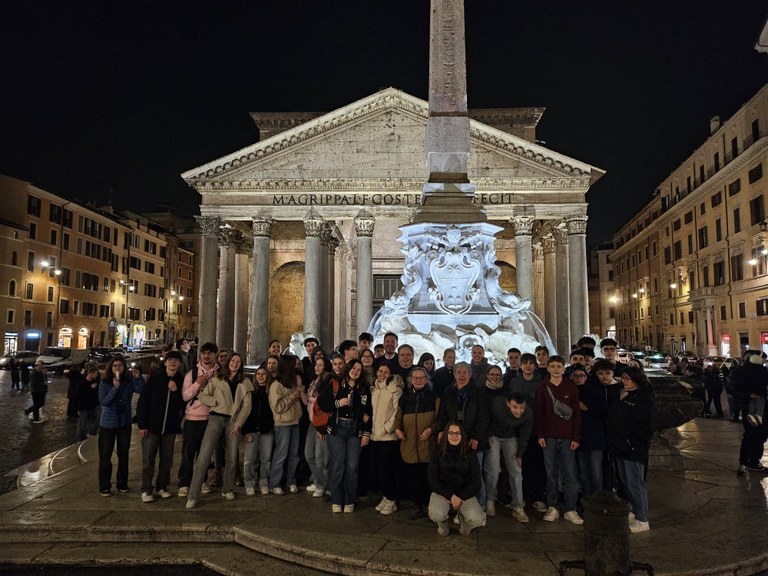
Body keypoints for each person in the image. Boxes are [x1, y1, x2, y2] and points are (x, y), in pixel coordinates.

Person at [186, 352, 253, 509]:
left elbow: (247, 405)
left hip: (233, 421)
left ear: (241, 364)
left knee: (232, 456)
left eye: (238, 361)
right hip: (216, 418)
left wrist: (238, 424)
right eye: (233, 360)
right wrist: (216, 401)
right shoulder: (217, 378)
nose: (235, 363)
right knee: (204, 456)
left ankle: (228, 488)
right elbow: (204, 396)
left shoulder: (244, 381)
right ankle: (193, 495)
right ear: (228, 362)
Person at [318, 358, 372, 513]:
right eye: (353, 368)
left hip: (355, 430)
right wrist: (337, 403)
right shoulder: (336, 384)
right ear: (348, 369)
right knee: (338, 466)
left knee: (352, 466)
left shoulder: (363, 389)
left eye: (359, 370)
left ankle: (349, 499)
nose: (355, 371)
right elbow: (322, 402)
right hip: (337, 429)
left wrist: (366, 433)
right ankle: (337, 499)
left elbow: (369, 412)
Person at [535, 355, 583, 525]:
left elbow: (577, 415)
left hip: (568, 437)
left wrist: (576, 437)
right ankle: (553, 506)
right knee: (551, 474)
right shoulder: (542, 388)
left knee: (570, 473)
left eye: (559, 366)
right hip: (549, 437)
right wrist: (540, 435)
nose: (556, 369)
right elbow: (539, 413)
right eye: (553, 366)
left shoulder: (571, 388)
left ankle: (571, 508)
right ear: (548, 368)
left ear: (563, 368)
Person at [607, 365, 655, 533]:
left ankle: (642, 519)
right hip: (619, 445)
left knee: (635, 483)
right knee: (626, 482)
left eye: (627, 378)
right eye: (623, 378)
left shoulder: (642, 397)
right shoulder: (621, 393)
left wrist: (633, 442)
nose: (624, 381)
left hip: (633, 447)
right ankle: (634, 511)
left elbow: (645, 425)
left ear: (636, 379)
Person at [437, 361, 490, 509]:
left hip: (472, 438)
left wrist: (476, 437)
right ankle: (457, 505)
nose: (462, 375)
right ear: (454, 374)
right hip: (453, 438)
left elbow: (483, 417)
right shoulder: (448, 391)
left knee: (475, 473)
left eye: (465, 372)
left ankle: (480, 505)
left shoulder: (478, 392)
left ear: (470, 374)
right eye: (459, 372)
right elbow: (443, 413)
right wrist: (441, 430)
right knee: (455, 472)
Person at [136, 350, 185, 503]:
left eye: (176, 360)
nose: (173, 362)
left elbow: (182, 404)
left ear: (179, 363)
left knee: (167, 460)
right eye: (170, 360)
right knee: (148, 460)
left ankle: (162, 486)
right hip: (152, 427)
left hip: (169, 428)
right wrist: (142, 425)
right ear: (165, 362)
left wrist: (176, 391)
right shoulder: (155, 379)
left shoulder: (181, 380)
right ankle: (146, 489)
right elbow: (143, 402)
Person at [395, 366, 438, 520]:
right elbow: (398, 416)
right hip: (410, 444)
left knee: (428, 476)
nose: (418, 380)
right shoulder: (405, 398)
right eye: (415, 378)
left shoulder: (434, 397)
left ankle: (429, 506)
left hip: (427, 445)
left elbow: (440, 420)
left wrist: (430, 430)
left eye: (421, 378)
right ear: (410, 380)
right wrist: (397, 429)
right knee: (413, 477)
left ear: (426, 380)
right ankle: (417, 505)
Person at [178, 341, 219, 497]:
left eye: (209, 353)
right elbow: (185, 396)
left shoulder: (219, 373)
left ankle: (202, 481)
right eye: (204, 353)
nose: (206, 356)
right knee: (188, 452)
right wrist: (197, 384)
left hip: (212, 418)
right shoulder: (192, 374)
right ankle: (184, 482)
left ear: (214, 355)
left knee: (205, 454)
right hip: (193, 418)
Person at [428, 422, 485, 537]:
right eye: (451, 433)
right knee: (436, 514)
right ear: (446, 435)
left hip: (464, 494)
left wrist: (459, 497)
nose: (454, 436)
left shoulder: (470, 453)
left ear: (462, 435)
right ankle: (443, 526)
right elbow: (432, 479)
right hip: (443, 493)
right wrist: (450, 496)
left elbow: (476, 481)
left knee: (478, 519)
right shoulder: (437, 452)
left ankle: (464, 523)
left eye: (457, 433)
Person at [485, 391, 533, 523]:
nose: (519, 411)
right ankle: (490, 499)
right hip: (494, 435)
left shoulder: (528, 413)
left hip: (511, 437)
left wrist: (520, 454)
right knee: (493, 469)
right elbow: (485, 417)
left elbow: (525, 434)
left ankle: (518, 506)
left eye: (521, 407)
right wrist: (487, 436)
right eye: (515, 407)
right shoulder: (496, 405)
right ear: (508, 404)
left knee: (516, 470)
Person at [98, 355, 142, 496]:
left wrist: (138, 377)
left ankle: (122, 483)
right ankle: (105, 486)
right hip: (108, 424)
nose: (118, 368)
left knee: (124, 455)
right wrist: (114, 389)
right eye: (115, 365)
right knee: (105, 455)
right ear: (111, 368)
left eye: (120, 365)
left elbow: (141, 390)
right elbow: (104, 402)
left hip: (124, 423)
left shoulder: (129, 382)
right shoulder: (104, 383)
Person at [510, 352, 546, 513]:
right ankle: (521, 495)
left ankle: (537, 496)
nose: (528, 366)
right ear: (521, 364)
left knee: (536, 463)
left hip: (536, 429)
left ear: (535, 365)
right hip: (518, 429)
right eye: (525, 363)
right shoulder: (514, 383)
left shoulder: (541, 383)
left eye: (531, 363)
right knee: (519, 464)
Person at [369, 361, 404, 515]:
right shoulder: (374, 389)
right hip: (375, 436)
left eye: (386, 372)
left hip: (388, 437)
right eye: (380, 371)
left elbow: (397, 412)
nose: (382, 374)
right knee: (378, 469)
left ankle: (391, 499)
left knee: (387, 469)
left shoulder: (394, 390)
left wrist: (386, 428)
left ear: (390, 374)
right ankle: (386, 496)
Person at [568, 363, 606, 499]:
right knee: (583, 471)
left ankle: (597, 499)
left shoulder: (595, 391)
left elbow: (602, 413)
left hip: (594, 438)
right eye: (575, 376)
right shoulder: (570, 391)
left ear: (586, 377)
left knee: (596, 472)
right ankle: (587, 499)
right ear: (571, 377)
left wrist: (586, 409)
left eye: (581, 376)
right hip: (579, 438)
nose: (578, 378)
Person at [268, 356, 303, 495]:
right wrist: (293, 396)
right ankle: (275, 483)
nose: (297, 367)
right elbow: (278, 407)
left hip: (295, 422)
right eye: (295, 364)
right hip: (283, 424)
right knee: (281, 454)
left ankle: (291, 481)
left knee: (294, 455)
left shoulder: (293, 382)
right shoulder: (276, 385)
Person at [241, 366, 275, 496]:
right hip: (251, 429)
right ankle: (249, 483)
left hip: (266, 430)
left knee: (266, 458)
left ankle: (264, 482)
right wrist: (244, 431)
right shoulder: (251, 392)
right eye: (258, 374)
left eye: (263, 374)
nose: (260, 376)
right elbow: (246, 412)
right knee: (249, 458)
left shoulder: (270, 392)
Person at [733, 351, 768, 475]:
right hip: (750, 407)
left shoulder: (762, 371)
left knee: (761, 435)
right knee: (751, 435)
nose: (765, 362)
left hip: (763, 407)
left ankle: (753, 461)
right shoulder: (743, 371)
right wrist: (749, 395)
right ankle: (744, 463)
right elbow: (734, 389)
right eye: (763, 359)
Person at [303, 357, 331, 498]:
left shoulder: (327, 382)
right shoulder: (314, 381)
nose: (317, 366)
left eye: (321, 364)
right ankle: (318, 479)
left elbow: (325, 406)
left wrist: (323, 427)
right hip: (311, 422)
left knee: (322, 458)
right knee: (309, 454)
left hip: (321, 423)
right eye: (316, 364)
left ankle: (323, 485)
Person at [76, 366, 101, 441]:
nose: (96, 376)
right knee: (82, 425)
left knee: (100, 419)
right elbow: (79, 395)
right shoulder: (82, 383)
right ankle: (80, 439)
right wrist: (91, 389)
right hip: (84, 407)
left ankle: (91, 432)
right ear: (91, 374)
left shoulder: (96, 382)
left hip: (94, 405)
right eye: (96, 374)